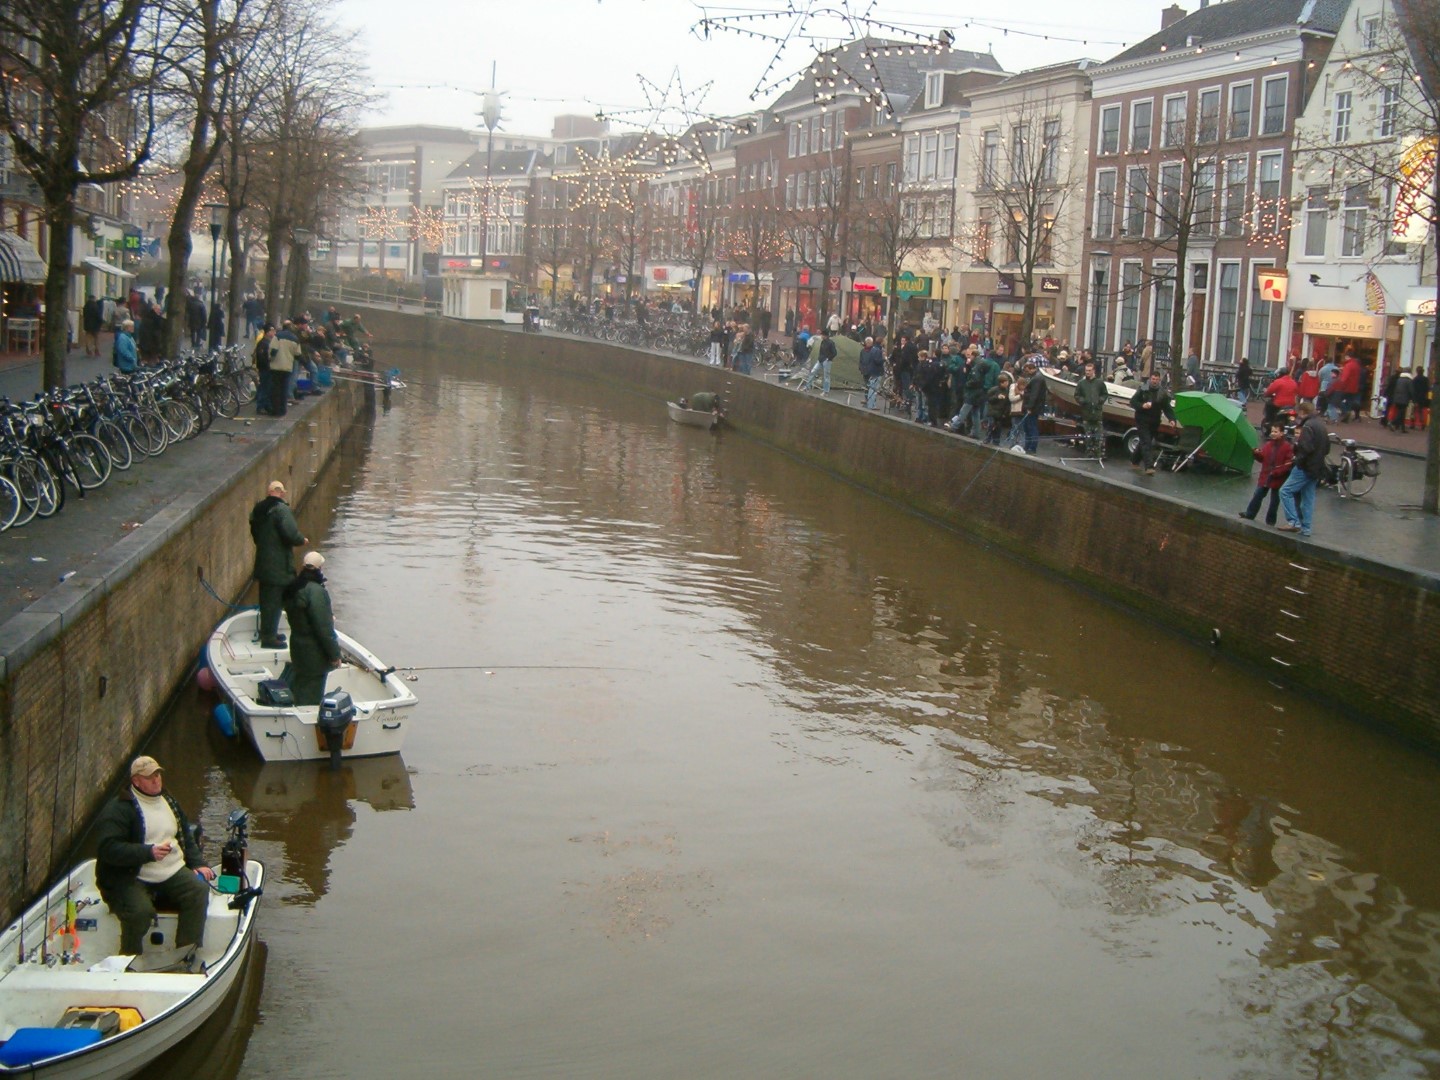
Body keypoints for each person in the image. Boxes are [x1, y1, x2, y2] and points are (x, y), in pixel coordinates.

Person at [94, 756, 215, 957]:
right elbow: (108, 849)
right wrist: (147, 852)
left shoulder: (169, 801)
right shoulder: (119, 810)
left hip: (170, 871)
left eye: (158, 774)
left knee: (198, 891)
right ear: (136, 781)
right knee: (139, 912)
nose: (156, 780)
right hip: (132, 876)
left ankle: (186, 954)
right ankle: (129, 957)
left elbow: (185, 835)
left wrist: (197, 863)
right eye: (149, 777)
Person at [250, 479, 307, 648]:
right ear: (279, 492)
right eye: (282, 492)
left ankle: (268, 632)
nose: (283, 495)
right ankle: (269, 638)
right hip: (278, 564)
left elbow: (255, 533)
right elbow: (290, 532)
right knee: (274, 602)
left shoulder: (258, 509)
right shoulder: (280, 509)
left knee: (267, 599)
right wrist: (301, 540)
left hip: (263, 561)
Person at [283, 552, 342, 706]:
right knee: (311, 694)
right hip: (314, 653)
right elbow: (324, 629)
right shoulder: (316, 591)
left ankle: (296, 708)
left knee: (301, 683)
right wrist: (335, 655)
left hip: (297, 646)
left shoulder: (294, 587)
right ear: (319, 568)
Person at [1278, 401, 1327, 538]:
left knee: (1285, 491)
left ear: (1302, 412)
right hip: (1317, 467)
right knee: (1308, 498)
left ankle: (1293, 522)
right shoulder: (1321, 425)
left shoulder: (1307, 426)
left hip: (1305, 466)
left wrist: (1297, 455)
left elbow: (1306, 448)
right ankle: (1306, 528)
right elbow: (1327, 448)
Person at [1239, 424, 1294, 526]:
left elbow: (1287, 464)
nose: (1273, 433)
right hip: (1265, 477)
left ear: (1282, 433)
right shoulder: (1268, 445)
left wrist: (1277, 472)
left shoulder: (1287, 447)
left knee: (1274, 502)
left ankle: (1270, 521)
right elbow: (1262, 459)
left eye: (1276, 432)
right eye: (1272, 431)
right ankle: (1250, 514)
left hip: (1278, 479)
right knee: (1257, 495)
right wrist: (1256, 453)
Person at [1130, 371, 1175, 474]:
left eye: (1156, 379)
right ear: (1150, 379)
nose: (1154, 381)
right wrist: (1142, 406)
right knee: (1147, 442)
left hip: (1154, 421)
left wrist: (1172, 419)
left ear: (1159, 380)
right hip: (1142, 419)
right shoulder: (1143, 389)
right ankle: (1149, 466)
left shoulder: (1162, 393)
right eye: (1153, 379)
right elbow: (1133, 402)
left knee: (1144, 442)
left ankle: (1134, 461)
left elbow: (1167, 408)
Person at [268, 320, 302, 416]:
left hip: (276, 366)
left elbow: (273, 350)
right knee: (284, 389)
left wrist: (271, 359)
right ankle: (283, 409)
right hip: (287, 367)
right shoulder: (295, 339)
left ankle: (275, 410)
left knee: (276, 389)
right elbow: (298, 354)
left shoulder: (278, 336)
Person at [1075, 361, 1110, 455]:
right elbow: (1077, 395)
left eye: (1089, 370)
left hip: (1097, 414)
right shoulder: (1081, 383)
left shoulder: (1099, 382)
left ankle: (1098, 453)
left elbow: (1105, 394)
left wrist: (1100, 401)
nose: (1087, 372)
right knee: (1088, 437)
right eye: (1086, 370)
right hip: (1086, 414)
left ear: (1093, 371)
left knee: (1098, 437)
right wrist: (1083, 401)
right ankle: (1089, 453)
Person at [1018, 359, 1045, 454]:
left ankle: (1032, 447)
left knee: (1031, 427)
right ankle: (1028, 445)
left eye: (1027, 371)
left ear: (1031, 369)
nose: (1027, 373)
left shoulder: (1037, 379)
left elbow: (1034, 394)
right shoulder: (1036, 377)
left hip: (1032, 408)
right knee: (1028, 426)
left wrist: (1030, 407)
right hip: (1032, 407)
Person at [799, 328, 836, 393]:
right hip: (820, 360)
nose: (821, 336)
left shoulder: (831, 343)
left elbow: (834, 353)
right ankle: (807, 387)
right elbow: (821, 351)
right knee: (813, 372)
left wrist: (828, 358)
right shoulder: (822, 342)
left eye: (822, 335)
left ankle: (826, 391)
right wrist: (819, 358)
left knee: (826, 376)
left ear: (825, 335)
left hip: (827, 361)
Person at [859, 336, 884, 409]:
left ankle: (867, 401)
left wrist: (861, 368)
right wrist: (884, 359)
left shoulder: (864, 351)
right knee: (872, 388)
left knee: (867, 387)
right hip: (872, 371)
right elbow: (877, 361)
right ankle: (871, 404)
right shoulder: (876, 350)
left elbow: (861, 361)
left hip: (866, 371)